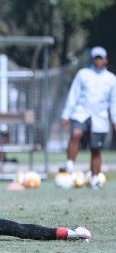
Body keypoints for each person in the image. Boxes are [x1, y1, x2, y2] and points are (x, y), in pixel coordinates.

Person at [61, 46, 116, 189]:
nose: (98, 61)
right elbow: (73, 95)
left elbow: (114, 102)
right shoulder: (83, 74)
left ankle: (94, 179)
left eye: (100, 58)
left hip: (100, 118)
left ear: (105, 60)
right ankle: (69, 166)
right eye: (95, 58)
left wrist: (114, 119)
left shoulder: (111, 79)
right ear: (92, 60)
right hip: (81, 112)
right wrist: (66, 114)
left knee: (95, 149)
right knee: (76, 133)